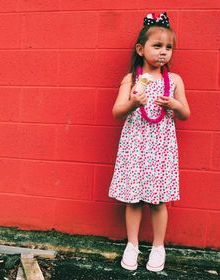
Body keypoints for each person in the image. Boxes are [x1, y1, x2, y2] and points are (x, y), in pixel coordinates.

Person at [108, 12, 190, 272]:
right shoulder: (131, 80)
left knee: (157, 200)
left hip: (161, 147)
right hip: (135, 144)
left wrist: (174, 104)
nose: (164, 52)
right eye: (157, 46)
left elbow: (185, 114)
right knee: (133, 199)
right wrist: (133, 102)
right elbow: (117, 112)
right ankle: (132, 244)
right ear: (141, 49)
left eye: (168, 47)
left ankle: (158, 246)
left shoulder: (174, 81)